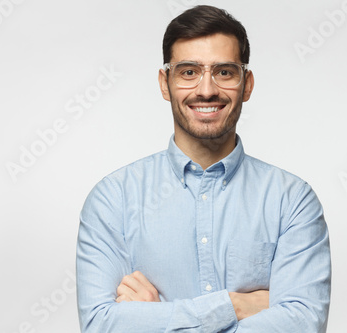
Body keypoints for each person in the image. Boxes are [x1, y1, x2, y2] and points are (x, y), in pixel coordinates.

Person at [76, 5, 331, 332]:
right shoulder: (112, 199)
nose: (207, 89)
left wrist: (157, 317)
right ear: (165, 84)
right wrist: (237, 306)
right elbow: (100, 325)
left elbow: (303, 325)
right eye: (188, 72)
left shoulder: (292, 201)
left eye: (224, 71)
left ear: (247, 84)